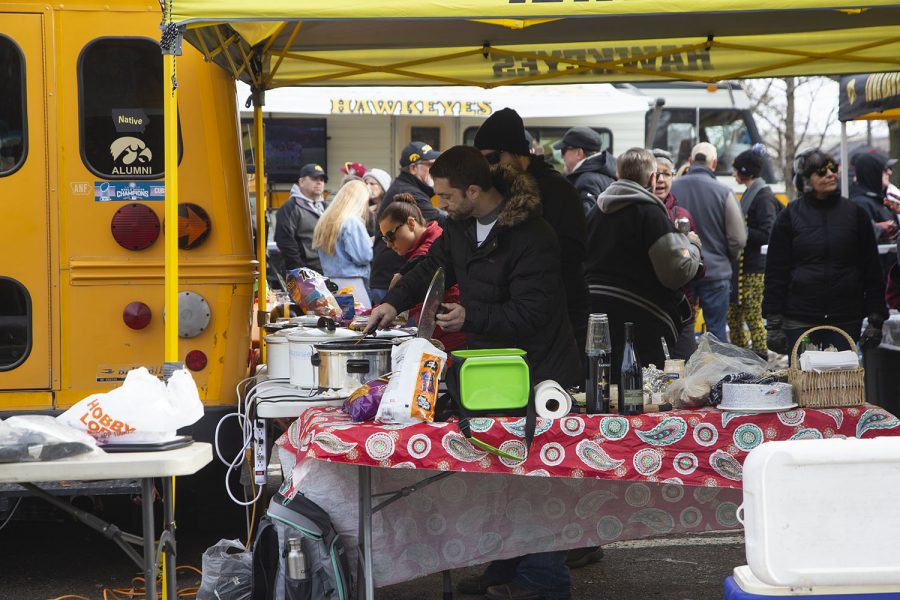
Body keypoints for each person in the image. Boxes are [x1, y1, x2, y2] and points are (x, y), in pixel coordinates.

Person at [367, 146, 580, 600]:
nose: (438, 205)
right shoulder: (461, 227)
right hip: (491, 370)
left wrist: (471, 316)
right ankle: (505, 567)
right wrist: (392, 302)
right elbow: (430, 266)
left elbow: (534, 311)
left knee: (537, 477)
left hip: (539, 370)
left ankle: (543, 582)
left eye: (444, 196)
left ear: (474, 190)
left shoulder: (533, 235)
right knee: (502, 474)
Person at [473, 107, 589, 362]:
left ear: (514, 152)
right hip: (517, 317)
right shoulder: (499, 191)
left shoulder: (559, 191)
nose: (490, 169)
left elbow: (573, 253)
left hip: (562, 317)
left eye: (493, 158)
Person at [584, 147, 702, 383]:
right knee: (642, 394)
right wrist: (693, 248)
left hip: (595, 318)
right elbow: (676, 272)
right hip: (643, 324)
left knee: (604, 387)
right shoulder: (650, 214)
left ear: (618, 175)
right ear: (651, 178)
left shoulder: (595, 213)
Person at [764, 149, 888, 359]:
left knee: (842, 384)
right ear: (806, 179)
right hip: (799, 317)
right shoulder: (789, 217)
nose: (830, 174)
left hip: (845, 316)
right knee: (804, 385)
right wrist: (773, 323)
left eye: (833, 168)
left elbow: (872, 270)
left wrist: (876, 319)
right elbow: (776, 272)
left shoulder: (856, 214)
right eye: (821, 171)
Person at [671, 142, 747, 342]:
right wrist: (727, 258)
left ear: (690, 161)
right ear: (713, 164)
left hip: (683, 270)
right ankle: (717, 372)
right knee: (716, 332)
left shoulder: (673, 189)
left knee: (682, 329)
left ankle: (684, 371)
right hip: (716, 272)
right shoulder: (724, 193)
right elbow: (738, 238)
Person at [378, 193, 466, 351]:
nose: (389, 245)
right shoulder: (429, 244)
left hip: (451, 338)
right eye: (385, 239)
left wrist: (384, 310)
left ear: (411, 223)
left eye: (390, 236)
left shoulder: (430, 248)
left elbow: (418, 298)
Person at [369, 141, 444, 304]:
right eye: (430, 165)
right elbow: (442, 221)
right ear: (413, 168)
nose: (436, 170)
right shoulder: (408, 190)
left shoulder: (408, 187)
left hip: (391, 278)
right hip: (391, 282)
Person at [651, 148, 703, 360]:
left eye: (667, 173)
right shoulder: (641, 211)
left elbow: (699, 269)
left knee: (684, 373)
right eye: (656, 173)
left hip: (682, 311)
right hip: (650, 308)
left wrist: (693, 251)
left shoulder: (682, 215)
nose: (661, 179)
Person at [728, 145, 777, 357]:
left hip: (754, 269)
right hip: (741, 270)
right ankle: (743, 358)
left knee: (753, 316)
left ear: (746, 172)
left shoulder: (763, 197)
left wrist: (739, 231)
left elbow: (768, 233)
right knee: (734, 317)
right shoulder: (751, 193)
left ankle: (760, 358)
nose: (733, 174)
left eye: (736, 169)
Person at [312, 180, 373, 307]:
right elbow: (364, 256)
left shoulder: (325, 220)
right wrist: (369, 243)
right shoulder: (352, 221)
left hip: (330, 285)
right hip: (353, 286)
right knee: (361, 323)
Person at [274, 163, 328, 273]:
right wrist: (301, 271)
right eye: (314, 178)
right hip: (305, 274)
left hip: (327, 270)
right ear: (301, 182)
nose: (319, 182)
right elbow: (285, 241)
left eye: (322, 179)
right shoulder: (290, 207)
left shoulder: (326, 207)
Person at [552, 126, 617, 214]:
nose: (562, 157)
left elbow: (585, 219)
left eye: (563, 150)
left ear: (579, 153)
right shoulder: (609, 174)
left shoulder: (587, 180)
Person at [363, 168, 392, 236]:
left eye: (372, 184)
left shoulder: (390, 208)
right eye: (366, 183)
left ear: (383, 187)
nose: (368, 186)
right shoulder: (363, 206)